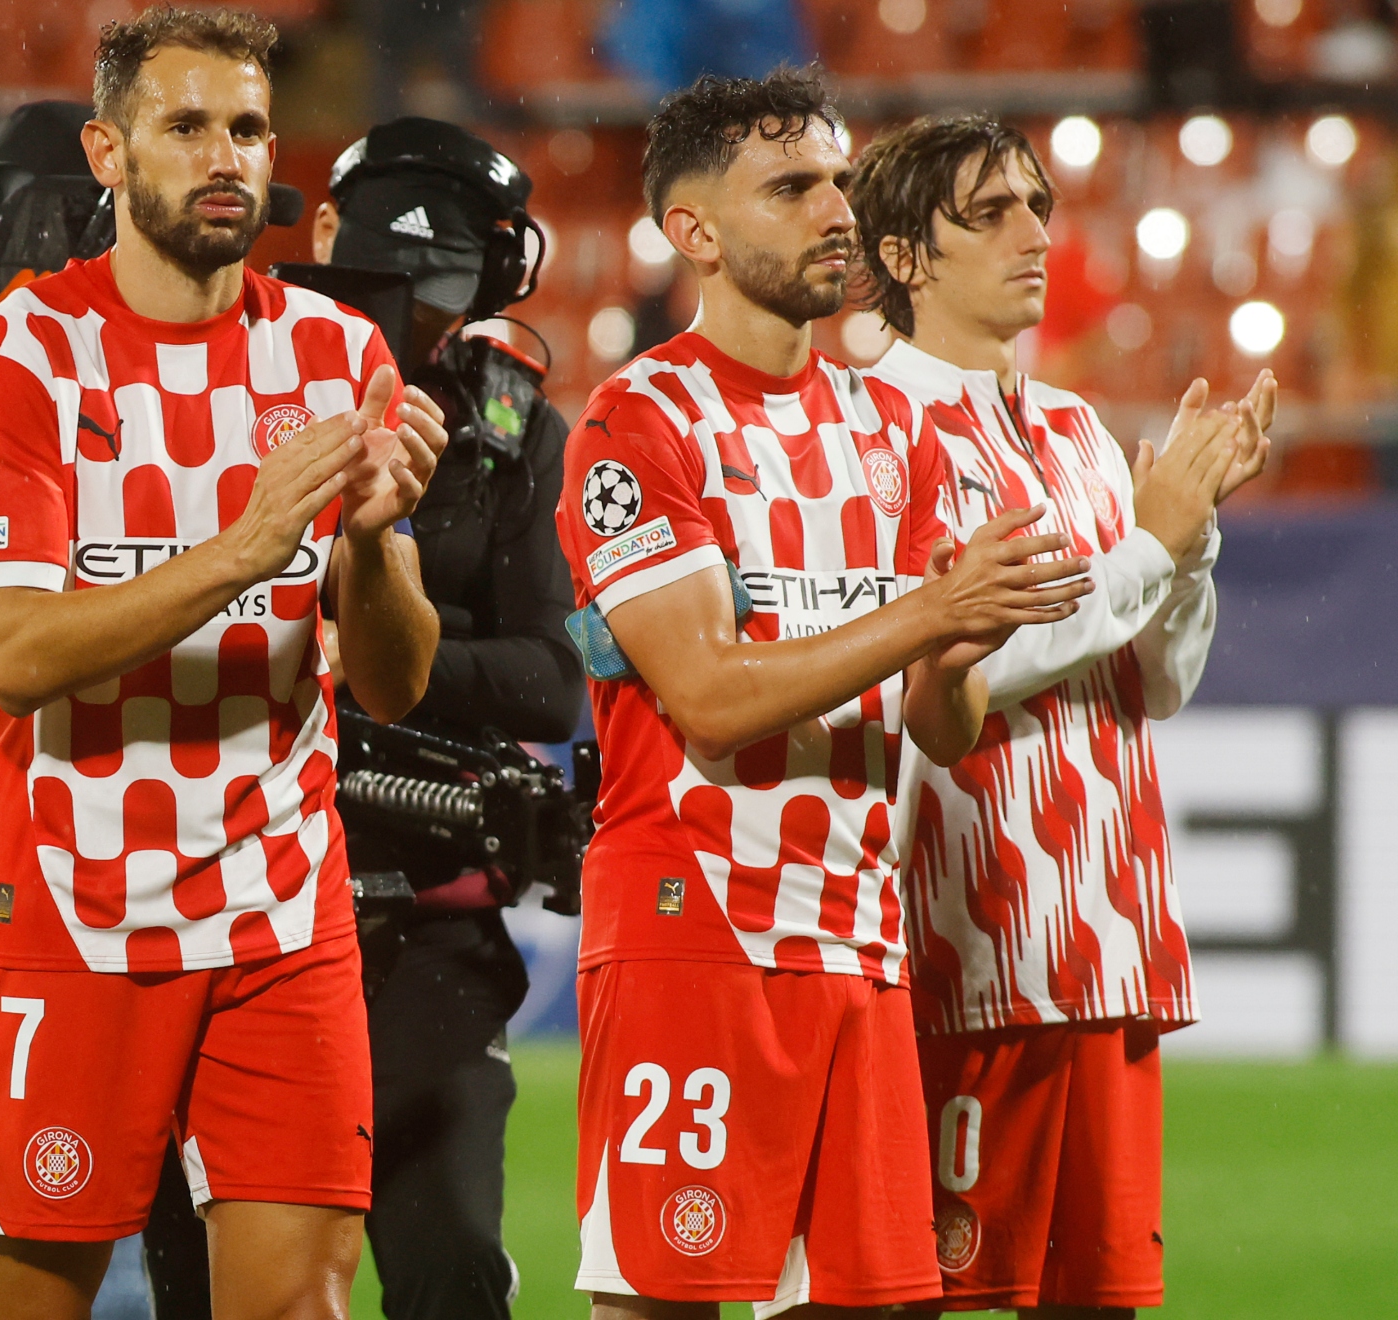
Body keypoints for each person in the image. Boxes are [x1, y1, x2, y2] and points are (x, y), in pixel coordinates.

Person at [555, 67, 1095, 1319]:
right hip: (696, 928)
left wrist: (956, 658)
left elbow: (938, 729)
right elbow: (709, 696)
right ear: (693, 232)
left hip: (857, 933)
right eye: (793, 188)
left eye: (842, 182)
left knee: (885, 1305)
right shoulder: (638, 424)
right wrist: (929, 615)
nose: (835, 212)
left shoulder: (880, 424)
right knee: (665, 1297)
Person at [0, 8, 449, 1318]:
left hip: (280, 915)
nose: (225, 156)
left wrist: (376, 548)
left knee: (298, 1307)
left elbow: (392, 682)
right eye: (186, 127)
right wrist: (247, 544)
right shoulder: (27, 352)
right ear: (109, 151)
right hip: (72, 910)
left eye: (247, 128)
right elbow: (15, 652)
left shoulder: (337, 359)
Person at [138, 117, 585, 1320]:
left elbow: (556, 680)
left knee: (446, 1276)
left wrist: (352, 656)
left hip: (423, 923)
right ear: (320, 232)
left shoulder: (509, 427)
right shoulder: (203, 371)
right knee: (207, 1285)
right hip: (221, 901)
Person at [848, 113, 1267, 1317]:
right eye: (991, 213)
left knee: (1107, 1300)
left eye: (1037, 203)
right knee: (953, 1296)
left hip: (1110, 942)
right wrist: (1148, 548)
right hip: (972, 944)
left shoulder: (1079, 429)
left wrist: (1190, 546)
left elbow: (1160, 683)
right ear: (906, 257)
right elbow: (954, 659)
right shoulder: (875, 431)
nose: (1036, 234)